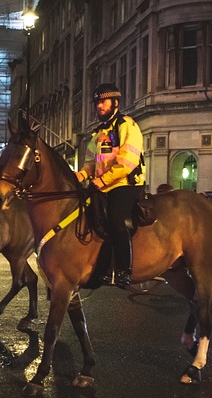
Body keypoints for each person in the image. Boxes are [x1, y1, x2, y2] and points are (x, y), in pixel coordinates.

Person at [75, 83, 145, 288]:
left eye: (103, 102)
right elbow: (90, 163)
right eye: (97, 103)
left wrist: (101, 181)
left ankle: (124, 270)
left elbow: (126, 162)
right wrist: (80, 175)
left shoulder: (126, 125)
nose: (99, 106)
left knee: (115, 220)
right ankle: (103, 269)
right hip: (103, 185)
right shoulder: (98, 134)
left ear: (115, 103)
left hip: (125, 183)